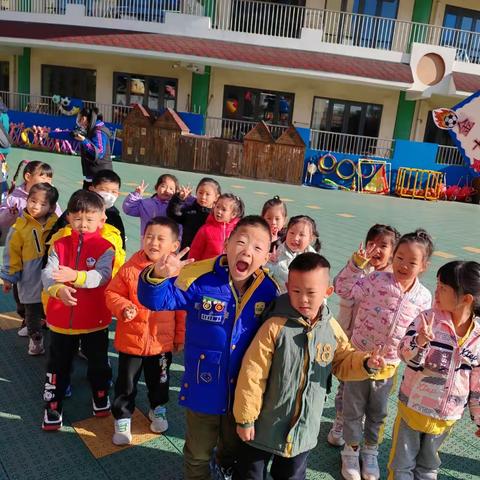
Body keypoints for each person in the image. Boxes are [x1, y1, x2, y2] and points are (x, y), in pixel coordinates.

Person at [137, 216, 279, 480]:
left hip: (243, 391)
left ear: (268, 256)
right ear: (227, 243)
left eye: (258, 248)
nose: (247, 251)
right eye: (241, 241)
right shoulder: (199, 276)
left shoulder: (269, 289)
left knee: (231, 447)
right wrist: (157, 275)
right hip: (204, 384)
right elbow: (157, 301)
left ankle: (223, 467)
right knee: (198, 454)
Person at [233, 253, 386, 480]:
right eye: (296, 291)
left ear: (327, 292)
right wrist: (245, 418)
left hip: (303, 429)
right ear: (287, 288)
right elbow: (253, 373)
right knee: (250, 474)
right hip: (263, 426)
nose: (303, 299)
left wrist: (365, 363)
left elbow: (343, 360)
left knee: (292, 476)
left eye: (311, 293)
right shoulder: (275, 325)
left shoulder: (330, 327)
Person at [335, 229, 434, 480]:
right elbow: (342, 288)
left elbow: (417, 336)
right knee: (353, 407)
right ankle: (350, 450)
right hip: (359, 356)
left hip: (389, 364)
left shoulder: (423, 298)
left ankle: (370, 450)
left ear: (424, 266)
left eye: (412, 262)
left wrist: (420, 344)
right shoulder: (377, 280)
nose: (403, 265)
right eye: (399, 257)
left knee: (378, 411)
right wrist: (356, 265)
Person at [388, 260, 480, 479]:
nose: (436, 291)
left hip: (446, 417)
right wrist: (419, 342)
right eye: (437, 285)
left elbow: (477, 385)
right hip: (413, 409)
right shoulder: (427, 320)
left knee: (428, 468)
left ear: (466, 299)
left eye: (443, 288)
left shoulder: (477, 337)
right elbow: (403, 353)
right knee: (401, 465)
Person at [105, 217, 186, 445]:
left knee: (160, 379)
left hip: (161, 344)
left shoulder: (175, 274)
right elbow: (112, 294)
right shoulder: (130, 268)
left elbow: (181, 309)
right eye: (149, 237)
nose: (154, 243)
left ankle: (157, 408)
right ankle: (122, 417)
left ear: (174, 245)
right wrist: (123, 308)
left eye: (161, 239)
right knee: (127, 382)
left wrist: (180, 336)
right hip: (131, 341)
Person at [41, 190, 115, 431]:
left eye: (89, 219)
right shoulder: (59, 244)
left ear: (101, 220)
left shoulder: (106, 247)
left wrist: (76, 276)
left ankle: (101, 394)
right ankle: (53, 403)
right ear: (69, 218)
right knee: (58, 364)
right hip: (61, 320)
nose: (83, 225)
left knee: (98, 363)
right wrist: (57, 290)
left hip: (95, 320)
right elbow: (47, 274)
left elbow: (102, 276)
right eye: (77, 218)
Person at [328, 224, 400, 447]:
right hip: (352, 340)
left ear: (394, 251)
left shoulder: (394, 280)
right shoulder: (361, 270)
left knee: (374, 391)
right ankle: (340, 419)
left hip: (378, 346)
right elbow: (340, 286)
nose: (376, 249)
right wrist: (356, 264)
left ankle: (362, 424)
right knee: (346, 385)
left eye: (383, 246)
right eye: (372, 243)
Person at [0, 160, 62, 336]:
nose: (48, 181)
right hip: (23, 255)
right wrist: (8, 214)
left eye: (50, 178)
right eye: (43, 176)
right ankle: (27, 318)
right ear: (28, 177)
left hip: (43, 255)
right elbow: (3, 223)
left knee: (46, 288)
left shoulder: (51, 199)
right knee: (22, 291)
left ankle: (42, 318)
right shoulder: (13, 197)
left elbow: (59, 222)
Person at [48, 169, 126, 263]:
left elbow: (121, 246)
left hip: (101, 265)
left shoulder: (115, 216)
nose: (108, 195)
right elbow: (56, 233)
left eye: (113, 192)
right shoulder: (78, 208)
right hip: (70, 261)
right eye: (103, 190)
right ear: (92, 189)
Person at [266, 215, 321, 293]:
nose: (295, 238)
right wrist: (268, 262)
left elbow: (320, 284)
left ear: (311, 238)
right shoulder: (276, 252)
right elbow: (266, 274)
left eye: (301, 235)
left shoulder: (315, 260)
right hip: (280, 299)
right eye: (292, 233)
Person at [167, 177, 221, 251]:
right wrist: (179, 199)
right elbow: (174, 215)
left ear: (216, 197)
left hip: (206, 257)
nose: (203, 197)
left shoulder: (217, 216)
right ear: (196, 192)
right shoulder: (189, 211)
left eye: (207, 194)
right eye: (200, 193)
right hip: (187, 254)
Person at [188, 193, 245, 261]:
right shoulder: (205, 230)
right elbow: (195, 251)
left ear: (233, 214)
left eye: (224, 209)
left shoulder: (238, 231)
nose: (219, 211)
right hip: (207, 270)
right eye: (217, 207)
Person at [74, 107, 112, 189]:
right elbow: (70, 134)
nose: (79, 121)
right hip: (93, 176)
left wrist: (84, 141)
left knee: (95, 201)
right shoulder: (89, 129)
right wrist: (50, 134)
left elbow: (99, 153)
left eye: (80, 118)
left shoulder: (99, 131)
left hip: (101, 177)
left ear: (84, 118)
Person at [0, 99, 11, 203]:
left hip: (1, 147)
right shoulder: (5, 115)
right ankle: (5, 175)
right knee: (3, 165)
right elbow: (6, 129)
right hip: (5, 147)